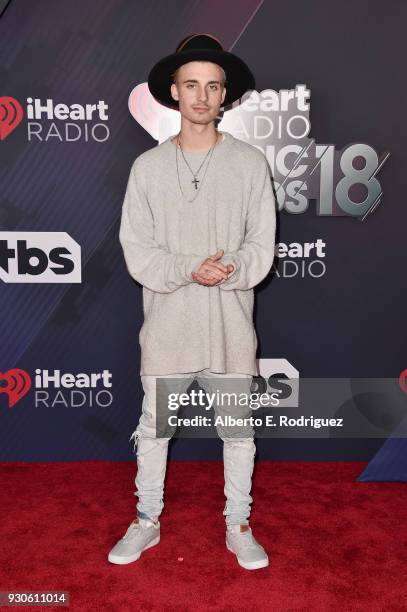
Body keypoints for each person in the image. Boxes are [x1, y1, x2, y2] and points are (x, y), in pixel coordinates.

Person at [108, 33, 277, 571]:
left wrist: (226, 269)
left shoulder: (250, 164)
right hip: (168, 327)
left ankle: (238, 524)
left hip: (229, 327)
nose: (201, 96)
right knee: (154, 431)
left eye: (212, 86)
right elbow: (139, 252)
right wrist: (189, 268)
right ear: (174, 93)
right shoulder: (147, 169)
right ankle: (147, 519)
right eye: (191, 85)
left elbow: (261, 246)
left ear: (224, 95)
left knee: (238, 433)